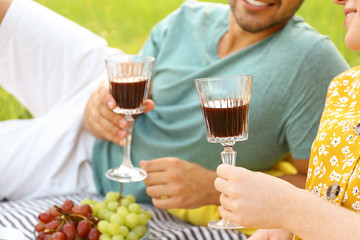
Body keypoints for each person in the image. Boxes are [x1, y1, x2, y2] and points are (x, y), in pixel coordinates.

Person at [0, 0, 348, 233]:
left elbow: (325, 189)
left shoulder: (312, 62)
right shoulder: (188, 16)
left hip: (89, 158)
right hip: (96, 86)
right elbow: (136, 87)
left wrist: (214, 186)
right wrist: (96, 109)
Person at [214, 0, 360, 239]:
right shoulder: (342, 88)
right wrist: (284, 225)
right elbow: (331, 202)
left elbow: (301, 210)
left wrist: (290, 209)